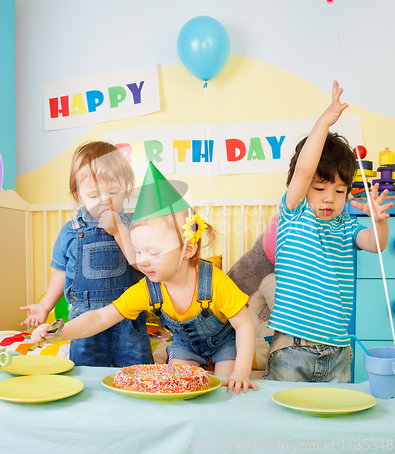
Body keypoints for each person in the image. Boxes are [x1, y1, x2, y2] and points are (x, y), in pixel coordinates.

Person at [32, 162, 258, 394]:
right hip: (186, 346)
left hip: (224, 342)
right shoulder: (148, 288)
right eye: (138, 252)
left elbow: (244, 325)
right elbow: (100, 317)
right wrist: (61, 332)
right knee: (180, 387)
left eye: (154, 252)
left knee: (224, 387)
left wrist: (241, 371)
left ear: (187, 250)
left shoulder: (214, 282)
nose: (143, 261)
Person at [265, 81, 394, 382]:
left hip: (338, 351)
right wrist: (323, 122)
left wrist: (379, 222)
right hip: (292, 349)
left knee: (331, 425)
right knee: (286, 423)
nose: (329, 198)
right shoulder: (294, 212)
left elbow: (376, 245)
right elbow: (304, 171)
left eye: (339, 191)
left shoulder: (347, 225)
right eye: (320, 188)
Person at [21, 141, 153, 367]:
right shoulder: (71, 231)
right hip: (83, 320)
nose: (105, 201)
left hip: (128, 318)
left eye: (113, 192)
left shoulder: (135, 226)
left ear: (127, 189)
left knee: (138, 373)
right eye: (93, 195)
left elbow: (142, 264)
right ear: (78, 196)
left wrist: (118, 230)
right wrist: (44, 306)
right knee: (86, 374)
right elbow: (61, 273)